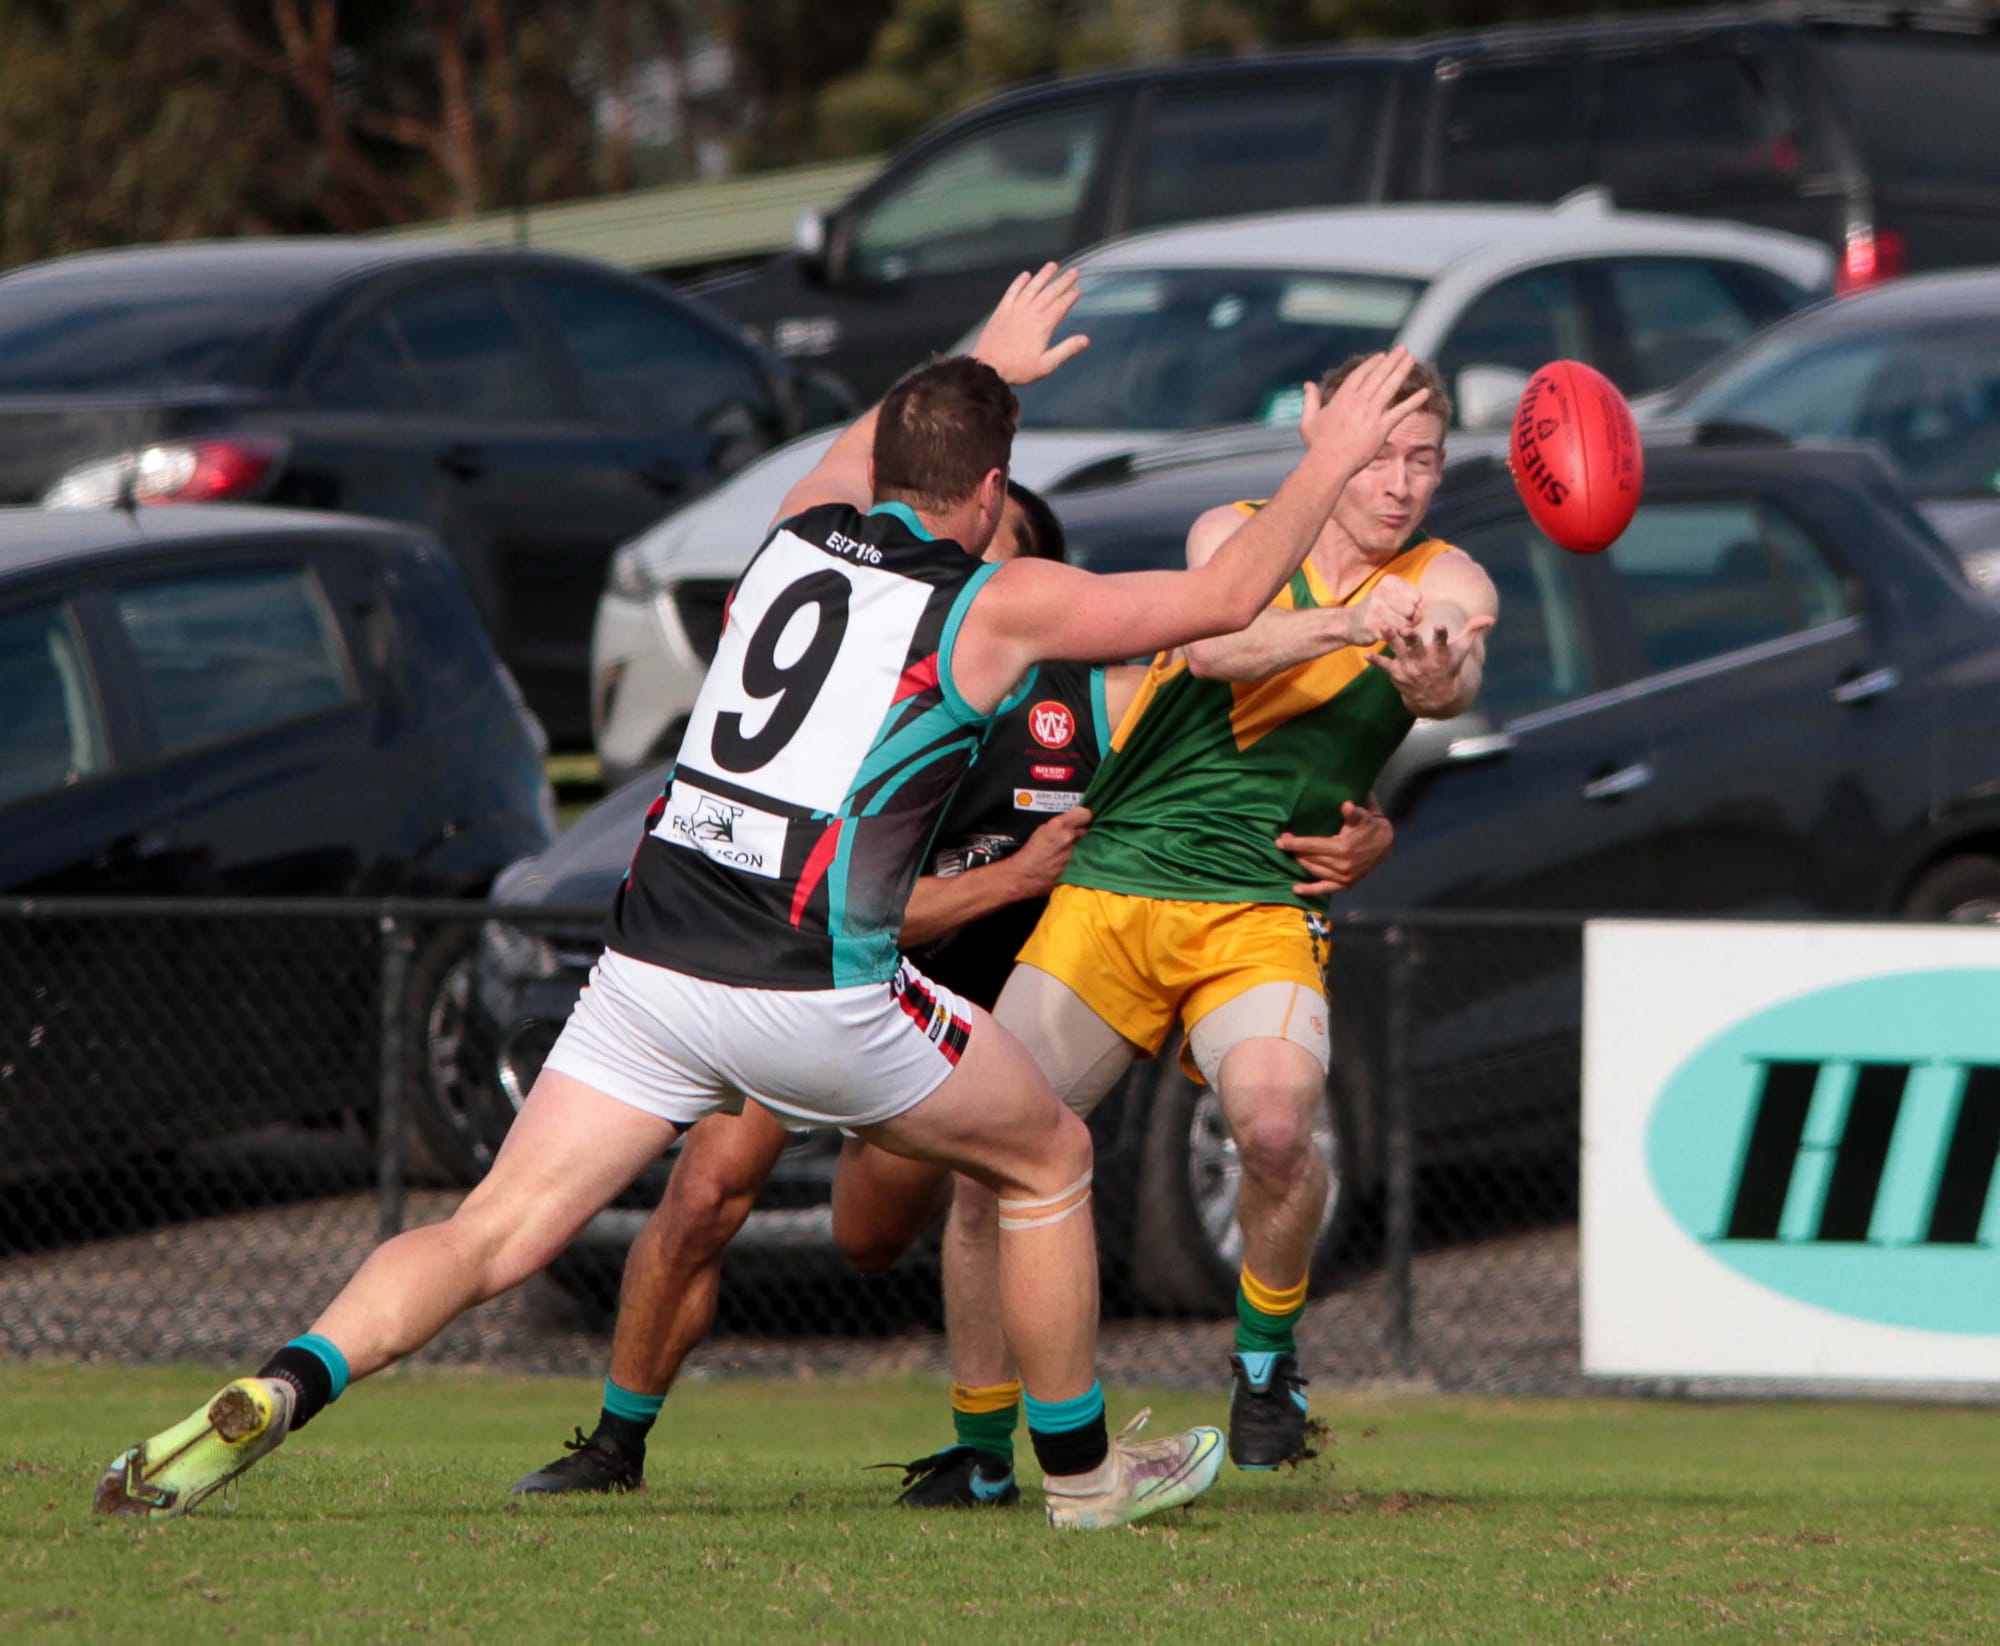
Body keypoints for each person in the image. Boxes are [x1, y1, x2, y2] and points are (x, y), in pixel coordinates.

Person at [93, 265, 1432, 1531]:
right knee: (1049, 1158)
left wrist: (976, 360)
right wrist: (1333, 452)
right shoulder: (993, 599)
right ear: (988, 490)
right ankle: (1084, 1478)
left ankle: (285, 1380)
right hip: (808, 987)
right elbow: (1224, 594)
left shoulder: (790, 536)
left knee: (489, 1229)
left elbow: (868, 446)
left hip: (647, 970)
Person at [506, 483, 1394, 1498]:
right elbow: (852, 899)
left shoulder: (1095, 694)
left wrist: (1362, 823)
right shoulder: (884, 687)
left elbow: (1253, 763)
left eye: (1002, 562)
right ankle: (617, 1441)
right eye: (970, 555)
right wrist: (1008, 878)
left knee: (876, 1232)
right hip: (833, 975)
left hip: (982, 1001)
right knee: (708, 1188)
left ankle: (1011, 1448)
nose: (970, 580)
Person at [925, 351, 1496, 1478]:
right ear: (1314, 430)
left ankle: (1264, 1358)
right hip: (1117, 884)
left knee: (1279, 1129)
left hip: (1257, 906)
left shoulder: (1445, 576)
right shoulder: (1227, 531)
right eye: (1376, 453)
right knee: (987, 1164)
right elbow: (1215, 641)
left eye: (1421, 460)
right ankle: (980, 1448)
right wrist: (1349, 624)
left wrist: (1430, 663)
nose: (1396, 484)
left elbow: (1451, 671)